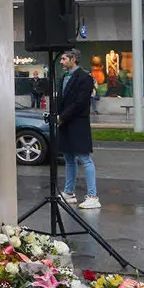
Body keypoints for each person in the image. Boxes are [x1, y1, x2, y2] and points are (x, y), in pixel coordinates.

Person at [55, 49, 99, 210]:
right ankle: (69, 192)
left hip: (78, 122)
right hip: (65, 122)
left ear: (73, 59)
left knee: (84, 158)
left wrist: (62, 117)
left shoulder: (85, 78)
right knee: (68, 158)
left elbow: (80, 103)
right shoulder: (63, 77)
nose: (61, 62)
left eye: (64, 58)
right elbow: (62, 99)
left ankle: (93, 196)